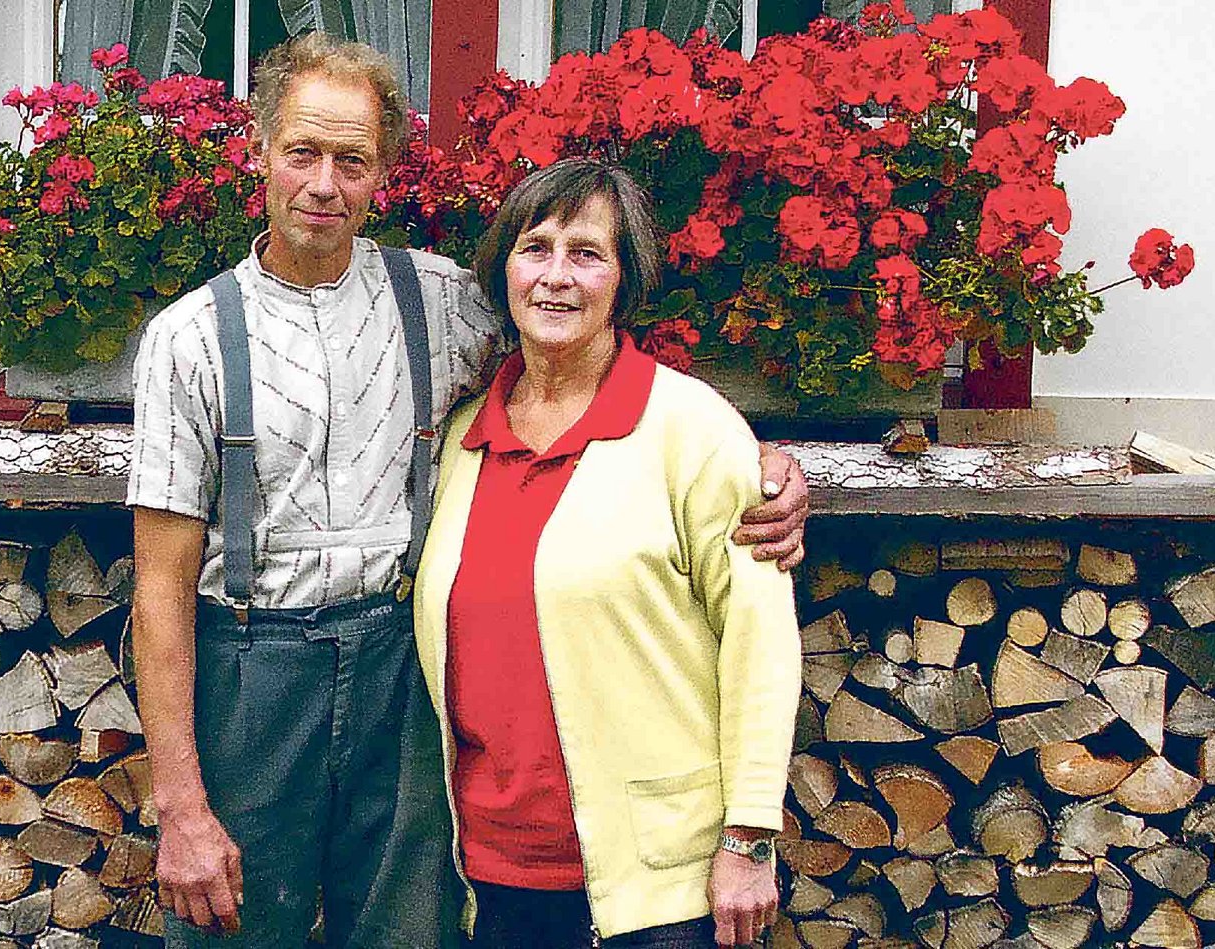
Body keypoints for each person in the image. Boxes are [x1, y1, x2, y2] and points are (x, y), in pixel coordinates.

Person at [127, 33, 810, 949]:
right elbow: (160, 589)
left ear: (384, 174)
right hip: (254, 674)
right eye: (302, 152)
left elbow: (574, 345)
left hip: (401, 673)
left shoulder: (442, 301)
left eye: (351, 161)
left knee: (411, 935)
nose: (324, 184)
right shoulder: (189, 339)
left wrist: (752, 461)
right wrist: (178, 805)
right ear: (258, 151)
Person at [412, 158, 804, 949]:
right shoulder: (460, 440)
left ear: (624, 282)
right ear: (504, 269)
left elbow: (760, 645)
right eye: (536, 248)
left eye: (587, 253)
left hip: (658, 887)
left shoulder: (693, 431)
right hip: (487, 872)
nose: (556, 276)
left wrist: (749, 838)